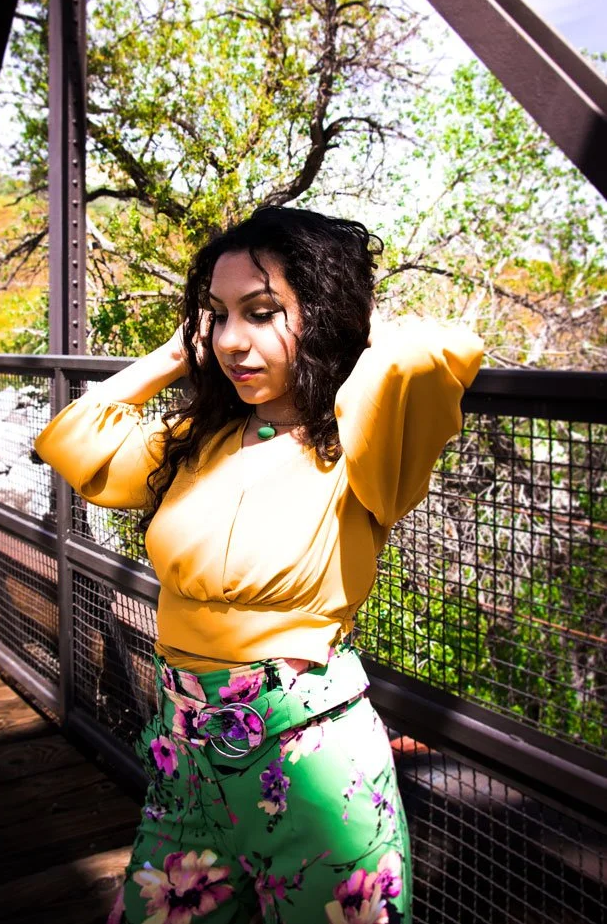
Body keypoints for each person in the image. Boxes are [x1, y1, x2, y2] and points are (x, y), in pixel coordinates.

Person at [34, 206, 483, 924]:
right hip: (186, 762)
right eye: (218, 314)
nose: (234, 340)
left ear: (322, 314)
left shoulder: (357, 447)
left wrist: (343, 325)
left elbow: (437, 348)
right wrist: (178, 352)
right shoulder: (198, 437)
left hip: (309, 763)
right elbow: (74, 440)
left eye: (263, 311)